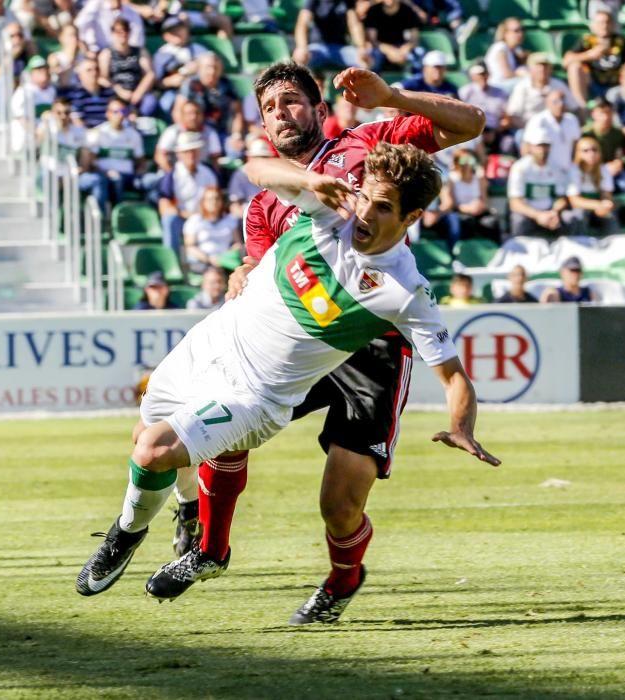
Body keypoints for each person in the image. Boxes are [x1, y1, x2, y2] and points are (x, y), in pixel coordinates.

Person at [89, 64, 486, 621]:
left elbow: (471, 123)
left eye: (294, 101)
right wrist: (243, 271)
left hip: (371, 348)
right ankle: (210, 548)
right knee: (227, 422)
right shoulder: (267, 200)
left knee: (339, 507)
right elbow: (261, 250)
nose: (283, 113)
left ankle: (342, 580)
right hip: (295, 342)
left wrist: (391, 97)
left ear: (321, 110)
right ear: (262, 122)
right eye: (271, 107)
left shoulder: (368, 143)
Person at [157, 131, 218, 254]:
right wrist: (186, 214)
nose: (190, 155)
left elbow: (217, 197)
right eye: (186, 151)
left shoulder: (208, 172)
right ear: (179, 154)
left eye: (193, 150)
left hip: (206, 218)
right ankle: (171, 261)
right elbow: (164, 206)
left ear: (199, 152)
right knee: (169, 220)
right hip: (182, 218)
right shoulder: (172, 175)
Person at [507, 128, 572, 237]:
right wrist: (538, 215)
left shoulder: (556, 167)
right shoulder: (520, 167)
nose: (542, 149)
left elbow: (561, 198)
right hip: (528, 213)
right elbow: (515, 203)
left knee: (570, 218)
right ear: (530, 147)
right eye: (539, 146)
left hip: (550, 212)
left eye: (545, 145)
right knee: (518, 220)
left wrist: (554, 212)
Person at [563, 9, 625, 107]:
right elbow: (566, 60)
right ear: (593, 25)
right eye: (600, 23)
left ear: (612, 25)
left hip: (616, 85)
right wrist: (589, 55)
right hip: (592, 84)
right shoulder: (587, 41)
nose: (604, 26)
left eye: (607, 22)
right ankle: (582, 107)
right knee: (574, 67)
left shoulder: (620, 41)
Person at [87, 97, 145, 204]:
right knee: (116, 179)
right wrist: (105, 172)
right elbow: (92, 161)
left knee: (151, 181)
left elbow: (140, 161)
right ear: (108, 114)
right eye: (116, 112)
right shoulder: (99, 132)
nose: (120, 115)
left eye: (123, 111)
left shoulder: (133, 134)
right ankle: (116, 214)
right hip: (107, 176)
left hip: (129, 176)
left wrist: (139, 173)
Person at [439, 148, 499, 246]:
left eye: (471, 161)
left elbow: (484, 200)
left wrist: (478, 207)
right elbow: (451, 204)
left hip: (478, 211)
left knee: (491, 222)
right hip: (460, 211)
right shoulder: (451, 179)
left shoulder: (480, 178)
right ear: (457, 162)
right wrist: (466, 209)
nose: (467, 164)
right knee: (466, 222)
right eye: (464, 161)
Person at [98, 17, 157, 117]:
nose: (123, 34)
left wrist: (138, 93)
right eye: (118, 31)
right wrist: (119, 90)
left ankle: (136, 119)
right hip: (117, 93)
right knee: (117, 107)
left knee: (150, 102)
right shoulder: (106, 54)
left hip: (137, 92)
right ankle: (127, 118)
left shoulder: (140, 51)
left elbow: (150, 74)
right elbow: (103, 78)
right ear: (112, 33)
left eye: (126, 30)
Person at [291, 0, 371, 70]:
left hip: (340, 48)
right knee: (299, 58)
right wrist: (302, 47)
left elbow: (354, 24)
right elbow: (302, 23)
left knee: (367, 61)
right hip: (318, 48)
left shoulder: (347, 1)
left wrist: (361, 47)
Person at [506, 53, 578, 129]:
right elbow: (513, 115)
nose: (542, 69)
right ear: (530, 68)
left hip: (556, 128)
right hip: (528, 128)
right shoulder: (522, 87)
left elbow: (574, 107)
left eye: (545, 66)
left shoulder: (559, 85)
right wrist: (530, 129)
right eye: (538, 66)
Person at [566, 135, 617, 236]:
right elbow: (575, 201)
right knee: (579, 216)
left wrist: (606, 205)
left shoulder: (604, 170)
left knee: (610, 217)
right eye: (586, 150)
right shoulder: (573, 170)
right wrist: (598, 205)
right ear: (578, 153)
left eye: (594, 150)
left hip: (597, 210)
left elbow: (606, 195)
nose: (591, 153)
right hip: (579, 209)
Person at [154, 99, 222, 174]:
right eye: (190, 113)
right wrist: (172, 177)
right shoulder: (173, 131)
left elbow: (215, 159)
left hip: (200, 174)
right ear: (183, 116)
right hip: (173, 173)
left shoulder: (210, 133)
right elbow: (160, 155)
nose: (193, 117)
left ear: (202, 115)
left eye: (197, 113)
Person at [182, 186, 240, 273]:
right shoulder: (194, 220)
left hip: (225, 261)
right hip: (202, 262)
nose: (214, 202)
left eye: (217, 199)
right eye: (209, 199)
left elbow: (237, 243)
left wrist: (225, 257)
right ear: (203, 202)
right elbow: (190, 247)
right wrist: (209, 259)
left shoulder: (230, 220)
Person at [458, 63, 510, 155]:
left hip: (495, 131)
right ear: (472, 76)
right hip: (473, 132)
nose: (482, 77)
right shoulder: (465, 92)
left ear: (488, 74)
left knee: (508, 143)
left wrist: (496, 130)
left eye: (484, 74)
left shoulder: (500, 92)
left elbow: (506, 118)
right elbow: (459, 116)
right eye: (479, 74)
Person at [524, 89, 581, 171]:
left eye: (563, 100)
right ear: (547, 103)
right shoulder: (538, 120)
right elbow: (527, 147)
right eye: (555, 101)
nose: (560, 104)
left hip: (567, 172)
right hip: (546, 173)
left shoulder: (572, 119)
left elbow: (576, 146)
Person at [360, 0, 422, 72]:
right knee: (372, 60)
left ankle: (415, 81)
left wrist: (406, 48)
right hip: (380, 47)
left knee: (419, 56)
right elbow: (372, 40)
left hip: (401, 46)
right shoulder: (374, 10)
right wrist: (389, 50)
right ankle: (374, 82)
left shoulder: (407, 10)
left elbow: (414, 38)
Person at [59, 57, 115, 129]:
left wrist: (128, 113)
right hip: (86, 134)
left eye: (96, 69)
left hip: (109, 133)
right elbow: (76, 119)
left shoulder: (110, 92)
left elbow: (124, 109)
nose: (94, 73)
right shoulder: (73, 95)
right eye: (89, 70)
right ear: (79, 75)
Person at [74, 0, 144, 54]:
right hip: (99, 55)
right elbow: (79, 25)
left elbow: (137, 42)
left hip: (125, 55)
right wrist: (90, 48)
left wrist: (123, 52)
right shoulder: (96, 6)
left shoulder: (132, 13)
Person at [485, 17, 527, 90]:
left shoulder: (517, 49)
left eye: (522, 30)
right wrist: (520, 73)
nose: (520, 34)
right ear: (505, 33)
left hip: (509, 84)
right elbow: (507, 74)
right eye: (516, 31)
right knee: (528, 83)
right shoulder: (500, 47)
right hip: (497, 87)